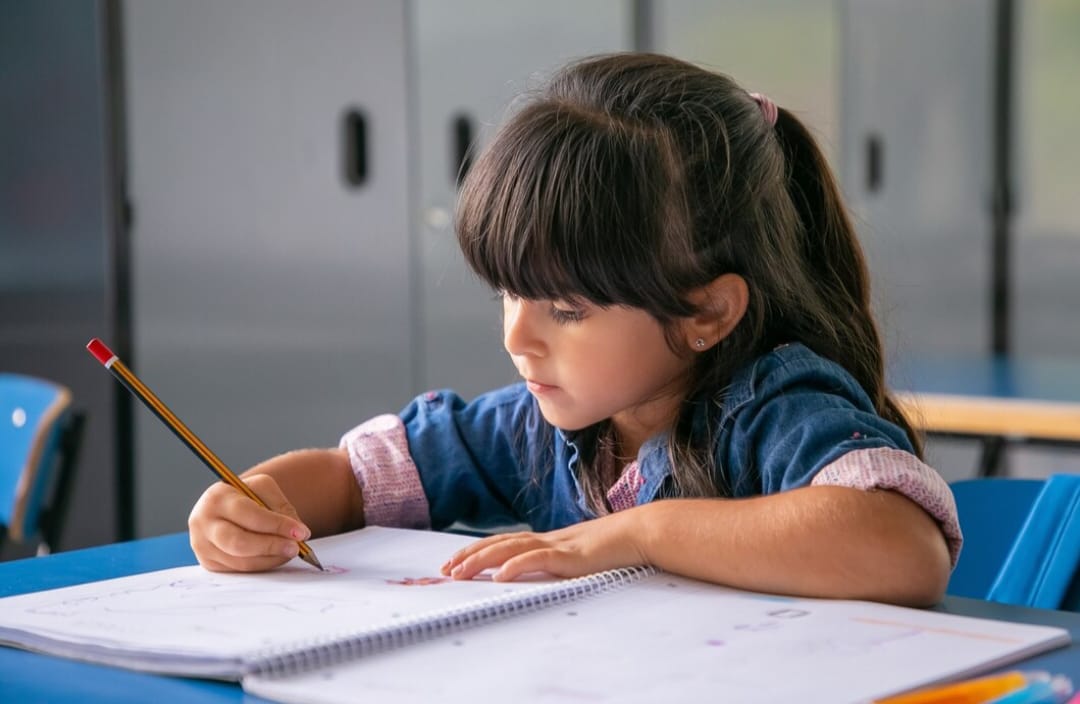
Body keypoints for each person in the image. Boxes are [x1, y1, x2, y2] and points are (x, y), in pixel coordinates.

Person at [188, 52, 960, 607]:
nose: (517, 338)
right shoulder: (537, 428)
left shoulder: (772, 408)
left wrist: (644, 533)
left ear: (706, 313)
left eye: (566, 309)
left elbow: (901, 548)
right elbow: (352, 480)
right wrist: (255, 504)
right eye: (509, 294)